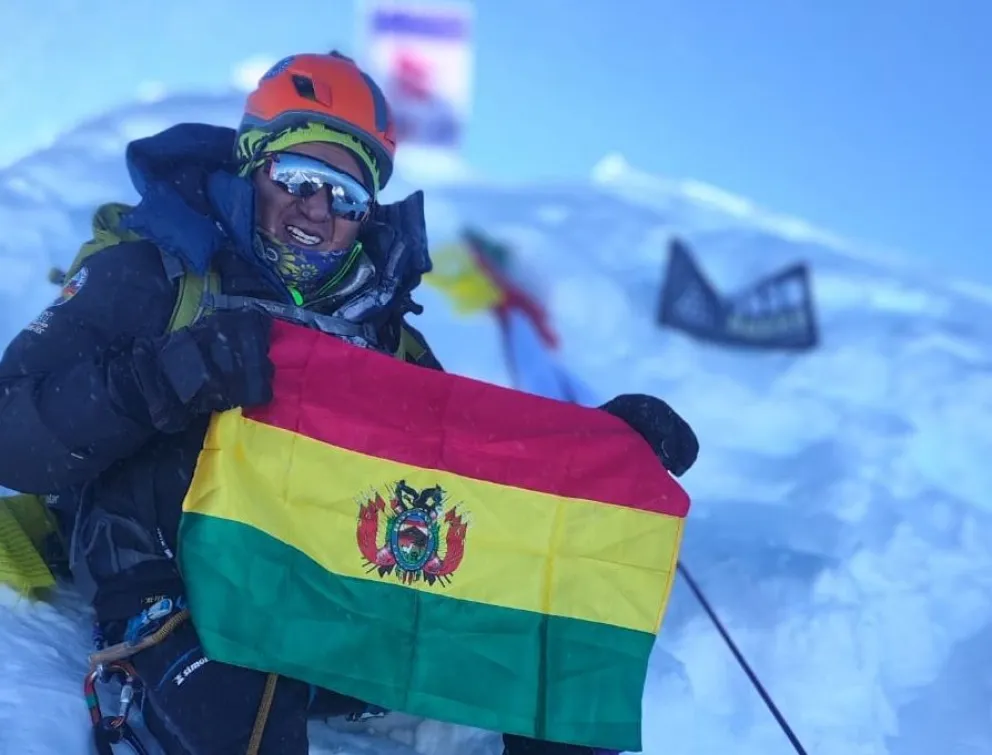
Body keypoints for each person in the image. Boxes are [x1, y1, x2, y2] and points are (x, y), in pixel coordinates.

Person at [0, 51, 698, 755]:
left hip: (338, 601)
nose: (317, 208)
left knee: (554, 690)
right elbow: (10, 429)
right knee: (240, 723)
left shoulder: (386, 336)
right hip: (173, 586)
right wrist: (164, 376)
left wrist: (594, 450)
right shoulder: (152, 273)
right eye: (300, 178)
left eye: (345, 195)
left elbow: (472, 475)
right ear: (252, 166)